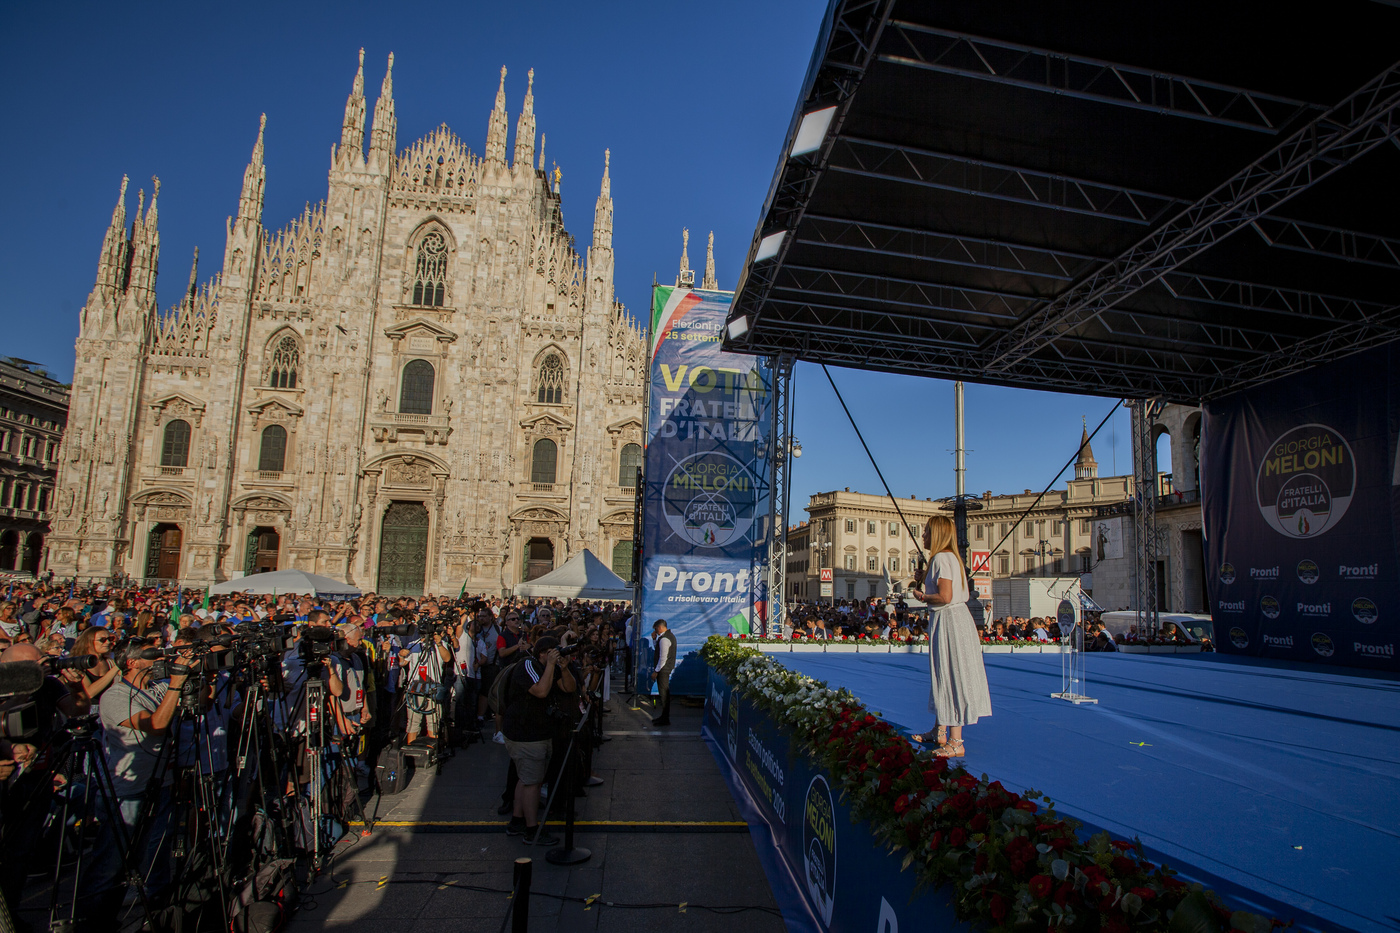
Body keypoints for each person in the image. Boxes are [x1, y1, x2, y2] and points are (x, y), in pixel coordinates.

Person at [909, 515, 991, 758]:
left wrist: (922, 596)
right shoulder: (946, 558)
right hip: (950, 619)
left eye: (926, 532)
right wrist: (925, 579)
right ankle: (940, 729)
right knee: (943, 672)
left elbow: (945, 596)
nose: (922, 536)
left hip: (949, 620)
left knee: (952, 673)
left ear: (937, 534)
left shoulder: (942, 558)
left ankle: (956, 741)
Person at [500, 635, 574, 846]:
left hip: (539, 732)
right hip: (525, 734)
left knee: (526, 779)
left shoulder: (550, 667)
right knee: (532, 783)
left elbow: (569, 688)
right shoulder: (528, 666)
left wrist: (564, 667)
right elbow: (541, 691)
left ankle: (517, 820)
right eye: (553, 651)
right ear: (543, 653)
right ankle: (532, 830)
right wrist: (551, 665)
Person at [650, 619, 676, 727]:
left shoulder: (665, 639)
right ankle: (663, 717)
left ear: (660, 627)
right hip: (665, 668)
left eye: (656, 629)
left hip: (663, 670)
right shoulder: (667, 637)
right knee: (664, 693)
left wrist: (656, 671)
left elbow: (663, 657)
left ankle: (665, 719)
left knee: (664, 693)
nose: (656, 631)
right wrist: (655, 640)